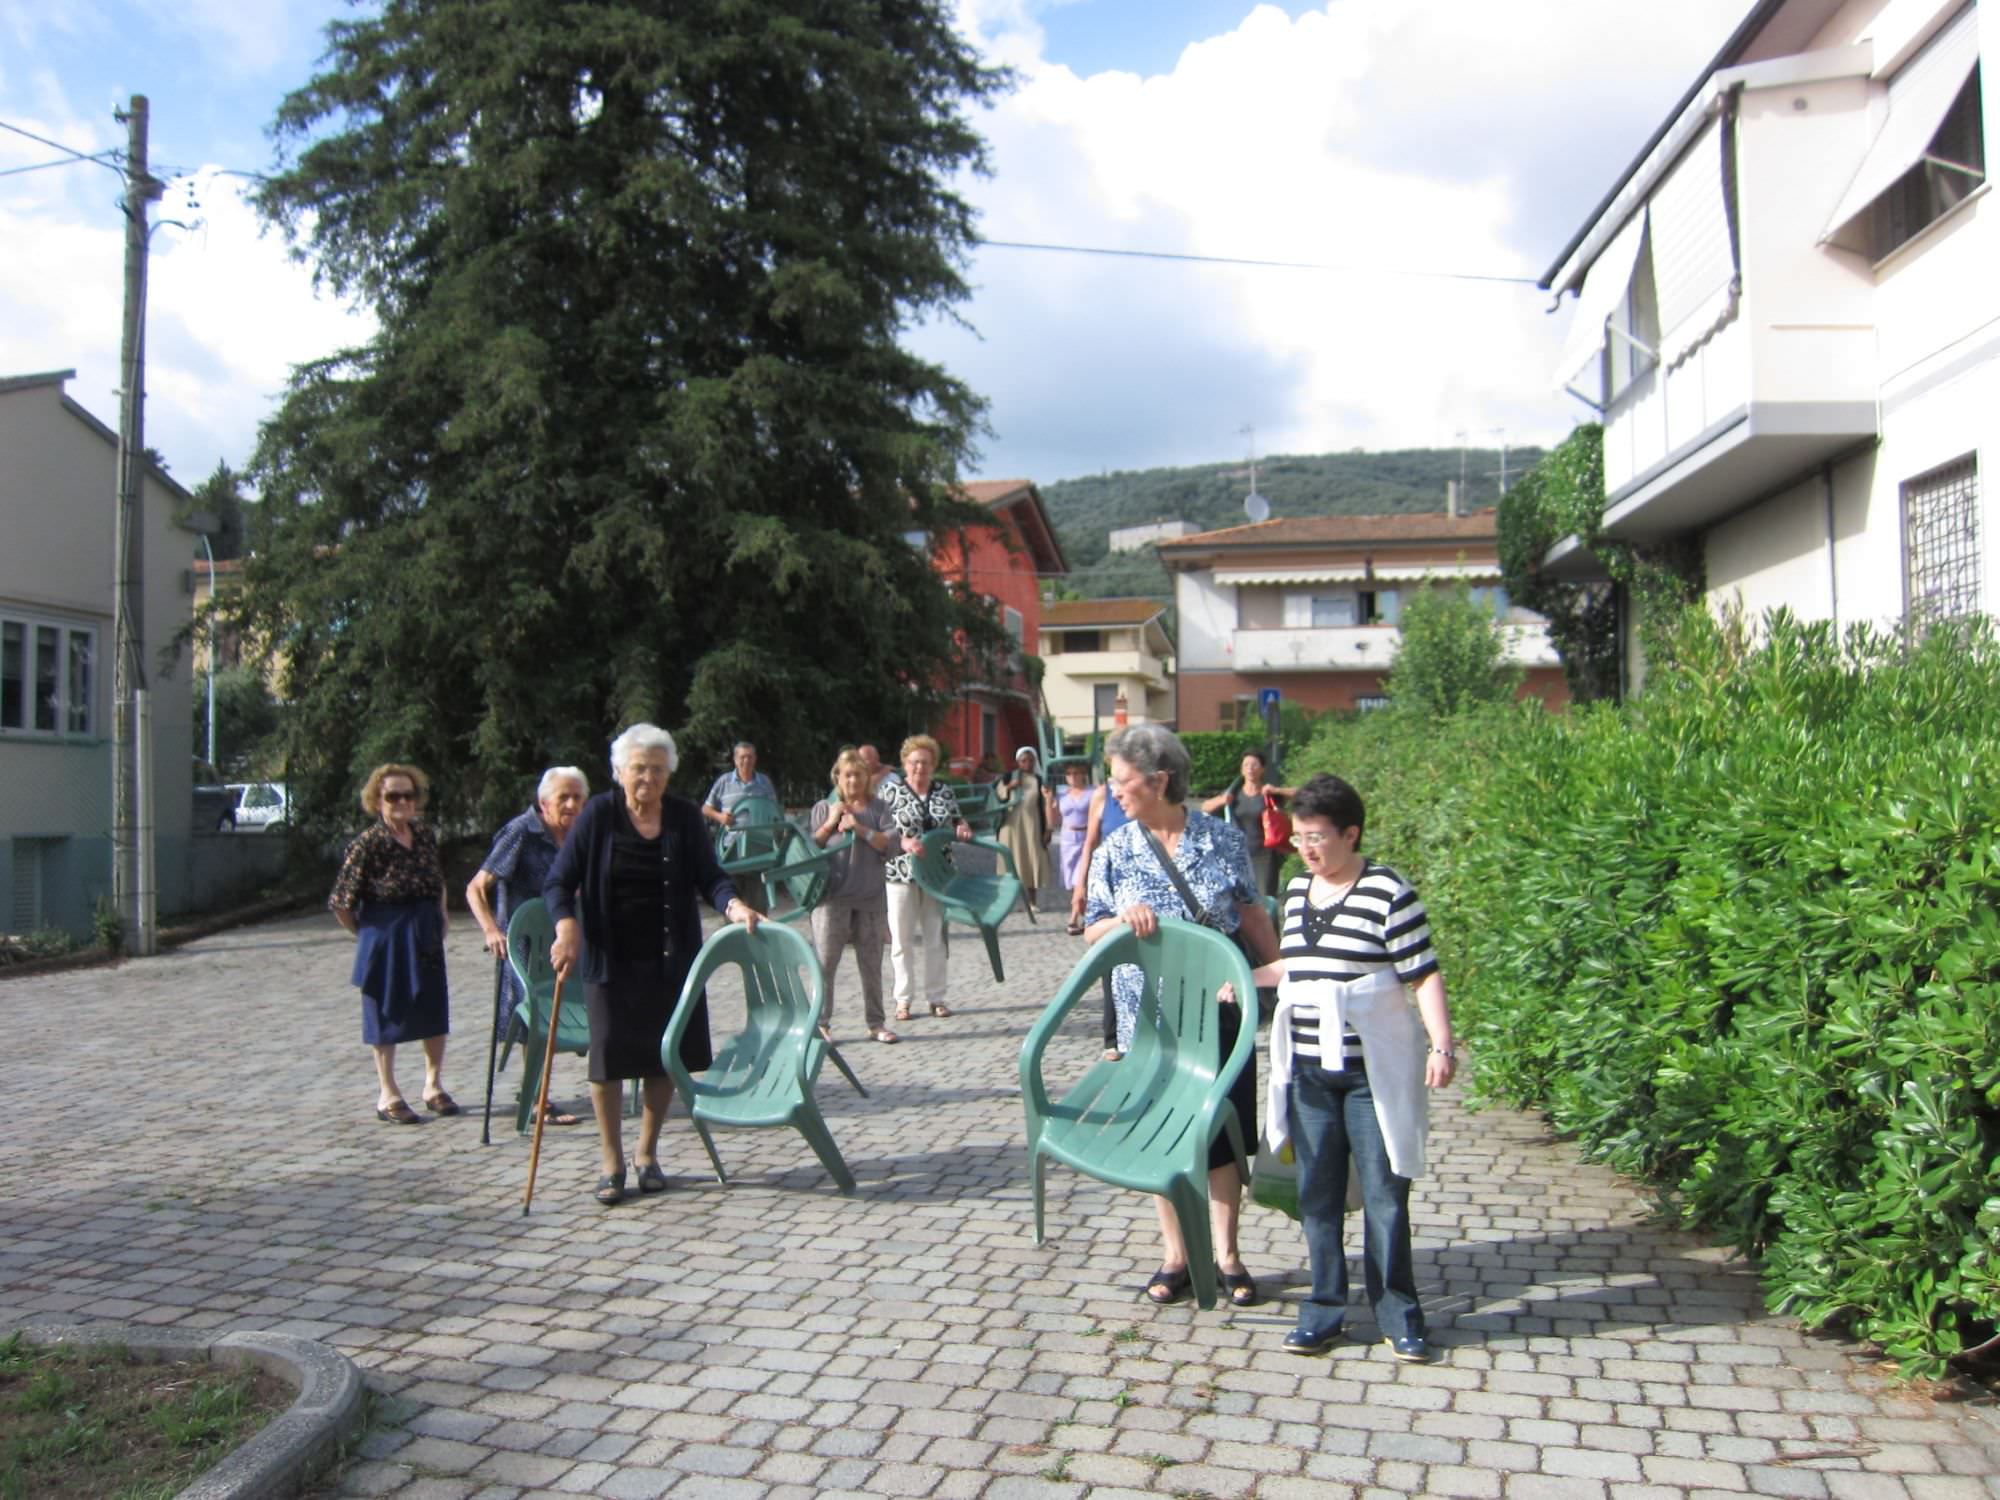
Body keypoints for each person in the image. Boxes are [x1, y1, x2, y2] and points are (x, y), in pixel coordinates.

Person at [1244, 772, 1457, 1364]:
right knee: (1318, 1195)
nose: (1306, 849)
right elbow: (1299, 968)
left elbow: (1423, 972)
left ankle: (1400, 1314)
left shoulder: (1388, 891)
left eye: (1317, 838)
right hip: (1309, 1071)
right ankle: (1323, 1311)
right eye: (1299, 838)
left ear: (1351, 833)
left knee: (1387, 1196)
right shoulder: (1292, 892)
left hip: (1373, 1074)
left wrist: (1441, 1045)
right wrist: (1241, 982)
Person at [1083, 724, 1279, 1308]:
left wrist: (1283, 979)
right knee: (1157, 1130)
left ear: (1159, 779)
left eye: (1122, 779)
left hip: (1216, 1013)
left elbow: (1251, 918)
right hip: (1150, 1019)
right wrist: (1122, 919)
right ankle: (1176, 1255)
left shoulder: (1221, 840)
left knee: (1220, 1133)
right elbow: (1092, 930)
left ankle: (1225, 1255)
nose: (1113, 790)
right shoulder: (1115, 849)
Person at [545, 723, 761, 1206]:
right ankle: (611, 1162)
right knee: (607, 1061)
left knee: (665, 1056)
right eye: (639, 768)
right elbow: (558, 883)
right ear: (620, 771)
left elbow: (711, 877)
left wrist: (735, 908)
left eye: (658, 770)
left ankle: (647, 1153)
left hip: (671, 958)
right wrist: (566, 926)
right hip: (609, 961)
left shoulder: (683, 817)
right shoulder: (599, 814)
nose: (648, 778)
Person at [329, 764, 455, 1125]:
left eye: (408, 795)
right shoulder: (368, 843)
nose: (401, 802)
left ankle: (433, 1084)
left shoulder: (425, 835)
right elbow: (341, 901)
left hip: (424, 930)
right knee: (384, 1011)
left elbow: (437, 879)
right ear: (377, 800)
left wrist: (442, 914)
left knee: (433, 1007)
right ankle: (388, 1093)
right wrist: (367, 934)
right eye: (392, 796)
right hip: (384, 933)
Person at [466, 765, 590, 1125]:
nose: (570, 804)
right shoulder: (522, 832)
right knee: (536, 1016)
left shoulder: (578, 835)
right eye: (562, 797)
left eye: (577, 797)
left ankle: (539, 1091)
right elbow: (476, 887)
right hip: (523, 944)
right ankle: (538, 1098)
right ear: (543, 801)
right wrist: (491, 929)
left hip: (564, 939)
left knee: (562, 1014)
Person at [880, 733, 972, 1023]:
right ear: (905, 764)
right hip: (900, 873)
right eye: (914, 762)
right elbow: (882, 831)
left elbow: (957, 818)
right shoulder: (891, 792)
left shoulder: (943, 790)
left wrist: (963, 827)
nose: (920, 768)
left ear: (933, 765)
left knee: (935, 937)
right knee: (901, 940)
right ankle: (903, 1000)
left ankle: (936, 997)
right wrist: (903, 842)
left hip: (937, 873)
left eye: (925, 763)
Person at [808, 750, 898, 1043]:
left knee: (872, 965)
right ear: (838, 777)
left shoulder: (880, 808)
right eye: (847, 774)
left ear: (867, 778)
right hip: (832, 899)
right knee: (825, 964)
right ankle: (821, 1023)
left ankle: (876, 1023)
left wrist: (858, 828)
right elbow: (810, 847)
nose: (853, 780)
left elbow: (890, 844)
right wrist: (832, 820)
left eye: (858, 774)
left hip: (870, 899)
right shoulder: (824, 807)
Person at [1068, 762, 1132, 1057]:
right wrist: (1080, 885)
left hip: (1142, 886)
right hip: (1108, 888)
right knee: (1110, 957)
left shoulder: (1145, 797)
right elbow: (1090, 842)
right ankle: (1113, 1037)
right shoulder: (1102, 796)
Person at [1201, 750, 1295, 898]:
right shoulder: (1234, 793)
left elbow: (1301, 794)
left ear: (1262, 769)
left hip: (1265, 855)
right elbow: (1205, 807)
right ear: (1242, 769)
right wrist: (1221, 801)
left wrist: (1277, 790)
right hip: (1238, 854)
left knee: (1266, 899)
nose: (1250, 768)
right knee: (1240, 899)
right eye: (1246, 765)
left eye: (1254, 765)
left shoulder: (1268, 794)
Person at [701, 740, 779, 913]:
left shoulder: (764, 782)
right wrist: (720, 816)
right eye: (742, 757)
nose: (746, 761)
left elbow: (775, 812)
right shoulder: (724, 782)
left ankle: (759, 939)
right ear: (735, 760)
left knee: (758, 906)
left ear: (755, 759)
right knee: (732, 904)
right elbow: (706, 808)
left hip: (759, 850)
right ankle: (733, 938)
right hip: (731, 851)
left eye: (750, 757)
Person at [994, 746, 1056, 910]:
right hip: (1010, 828)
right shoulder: (1008, 777)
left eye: (1030, 760)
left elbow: (1047, 804)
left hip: (1032, 827)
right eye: (1023, 761)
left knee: (1030, 859)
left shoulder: (1040, 780)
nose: (1027, 764)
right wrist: (1009, 787)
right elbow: (996, 797)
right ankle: (1006, 903)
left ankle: (1032, 902)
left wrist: (1048, 829)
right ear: (1017, 762)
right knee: (1010, 863)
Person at [1055, 762, 1094, 909]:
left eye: (1076, 773)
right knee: (1070, 876)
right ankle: (1080, 907)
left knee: (1081, 877)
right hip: (1067, 838)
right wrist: (1047, 801)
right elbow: (1053, 819)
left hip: (1085, 835)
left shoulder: (1092, 792)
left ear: (1083, 774)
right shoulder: (1062, 794)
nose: (1072, 777)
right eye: (1069, 773)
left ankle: (1075, 914)